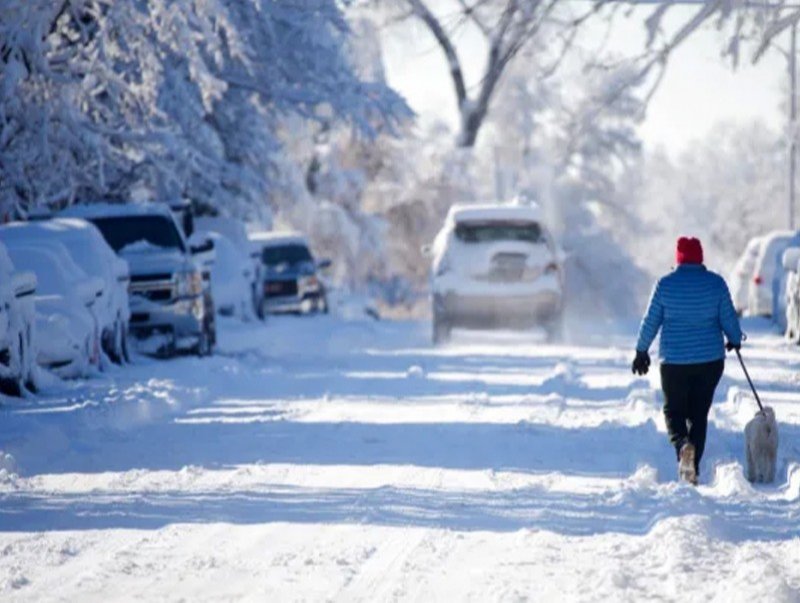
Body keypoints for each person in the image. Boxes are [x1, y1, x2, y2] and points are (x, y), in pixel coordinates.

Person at [632, 236, 742, 485]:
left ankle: (683, 447)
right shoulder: (716, 284)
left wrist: (641, 350)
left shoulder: (665, 284)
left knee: (674, 410)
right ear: (700, 257)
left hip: (675, 362)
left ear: (678, 258)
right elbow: (729, 319)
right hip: (709, 361)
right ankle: (693, 465)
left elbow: (651, 320)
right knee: (699, 413)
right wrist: (735, 339)